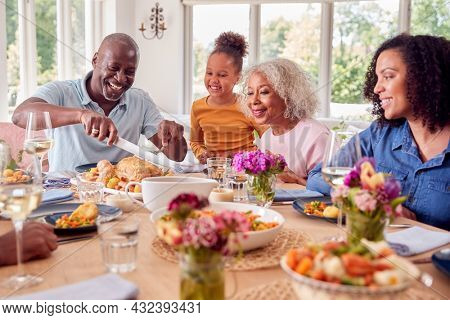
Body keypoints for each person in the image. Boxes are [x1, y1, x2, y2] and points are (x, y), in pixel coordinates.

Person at [307, 34, 450, 230]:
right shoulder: (379, 134)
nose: (376, 88)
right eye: (377, 78)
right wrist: (370, 197)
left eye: (388, 76)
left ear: (424, 77)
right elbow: (317, 178)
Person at [12, 33, 187, 171]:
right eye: (113, 68)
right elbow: (20, 115)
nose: (120, 78)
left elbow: (177, 156)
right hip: (66, 195)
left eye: (130, 72)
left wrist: (174, 137)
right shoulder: (61, 91)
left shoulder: (141, 101)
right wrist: (81, 115)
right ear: (96, 60)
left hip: (120, 194)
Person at [240, 58, 329, 185]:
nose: (254, 100)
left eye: (264, 92)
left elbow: (335, 192)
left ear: (288, 96)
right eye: (250, 93)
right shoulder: (267, 137)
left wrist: (296, 180)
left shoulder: (316, 136)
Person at [189, 32, 265, 164]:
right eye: (209, 73)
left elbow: (269, 136)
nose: (213, 80)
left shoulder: (247, 104)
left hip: (245, 170)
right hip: (215, 171)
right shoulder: (197, 107)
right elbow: (196, 142)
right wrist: (201, 153)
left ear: (238, 78)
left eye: (222, 75)